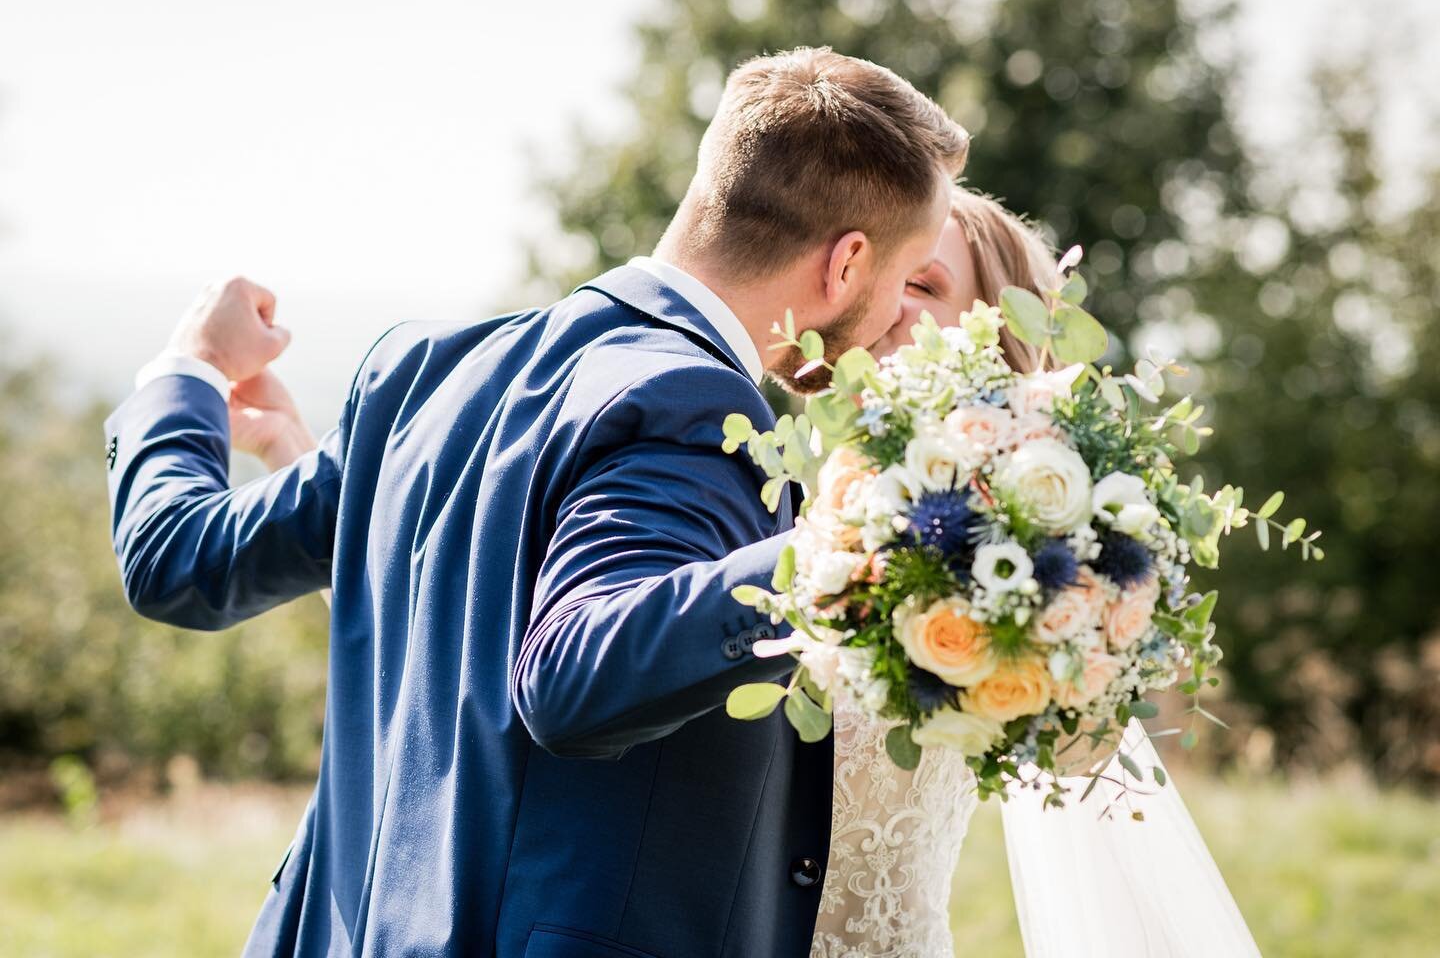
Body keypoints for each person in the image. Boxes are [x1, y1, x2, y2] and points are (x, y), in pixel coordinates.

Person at [103, 47, 968, 958]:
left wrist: (189, 370)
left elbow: (178, 560)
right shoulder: (694, 407)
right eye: (904, 281)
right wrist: (849, 551)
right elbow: (572, 677)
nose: (895, 322)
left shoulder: (423, 374)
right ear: (846, 264)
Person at [812, 188, 1263, 958]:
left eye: (924, 286)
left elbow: (1078, 753)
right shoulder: (782, 502)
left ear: (994, 335)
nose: (889, 301)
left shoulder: (1017, 542)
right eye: (886, 274)